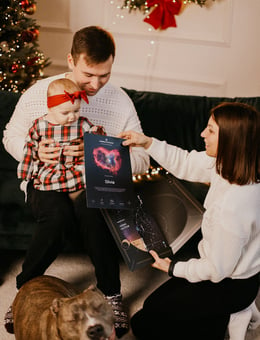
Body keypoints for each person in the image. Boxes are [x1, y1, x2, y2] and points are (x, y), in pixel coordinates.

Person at [3, 26, 150, 338]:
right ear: (70, 59)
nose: (95, 84)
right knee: (56, 214)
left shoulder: (120, 101)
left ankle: (111, 294)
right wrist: (32, 149)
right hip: (46, 179)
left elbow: (142, 159)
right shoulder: (38, 94)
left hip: (92, 183)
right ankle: (25, 288)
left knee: (91, 207)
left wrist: (103, 153)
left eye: (104, 75)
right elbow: (11, 135)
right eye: (88, 75)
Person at [119, 102, 260, 340]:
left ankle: (228, 314)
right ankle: (219, 315)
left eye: (211, 130)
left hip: (229, 284)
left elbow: (217, 270)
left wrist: (173, 267)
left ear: (232, 140)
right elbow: (185, 162)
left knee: (145, 324)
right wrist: (148, 143)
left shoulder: (233, 206)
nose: (202, 134)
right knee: (152, 307)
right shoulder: (233, 166)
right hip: (234, 272)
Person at [18, 78, 106, 201]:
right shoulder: (40, 126)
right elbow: (29, 148)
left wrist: (96, 134)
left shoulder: (82, 124)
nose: (72, 117)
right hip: (52, 169)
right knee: (46, 185)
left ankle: (77, 195)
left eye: (76, 111)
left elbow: (97, 141)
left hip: (76, 169)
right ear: (50, 109)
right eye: (65, 113)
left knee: (88, 179)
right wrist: (26, 172)